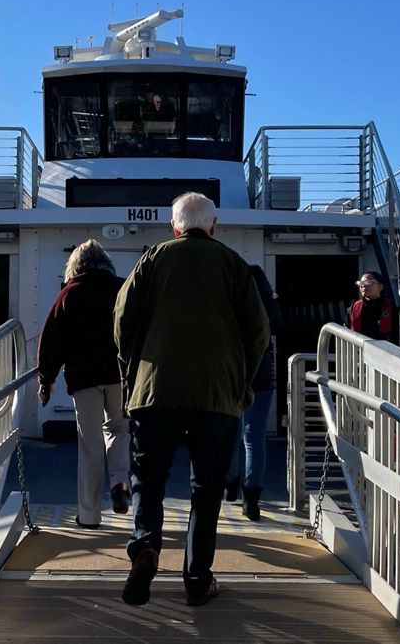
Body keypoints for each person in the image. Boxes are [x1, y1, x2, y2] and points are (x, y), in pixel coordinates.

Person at [114, 192, 269, 608]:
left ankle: (145, 549)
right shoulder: (235, 265)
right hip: (216, 397)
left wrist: (132, 375)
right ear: (213, 225)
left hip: (155, 391)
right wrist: (240, 383)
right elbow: (258, 332)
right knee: (206, 491)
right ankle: (197, 581)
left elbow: (123, 320)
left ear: (174, 226)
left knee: (148, 482)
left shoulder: (152, 259)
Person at [37, 240, 130, 529]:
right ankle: (120, 483)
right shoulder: (123, 288)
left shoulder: (69, 294)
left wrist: (46, 379)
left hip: (84, 379)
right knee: (118, 430)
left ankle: (89, 516)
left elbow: (51, 340)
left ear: (75, 266)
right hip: (120, 376)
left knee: (90, 443)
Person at [224, 265, 279, 521]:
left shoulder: (230, 305)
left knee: (230, 434)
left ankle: (229, 484)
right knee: (254, 438)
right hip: (263, 378)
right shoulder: (269, 306)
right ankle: (251, 500)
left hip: (232, 377)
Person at [348, 271, 398, 344]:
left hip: (385, 351)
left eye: (368, 282)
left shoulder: (393, 309)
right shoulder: (353, 309)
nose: (363, 286)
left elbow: (399, 338)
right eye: (361, 283)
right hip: (359, 351)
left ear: (380, 286)